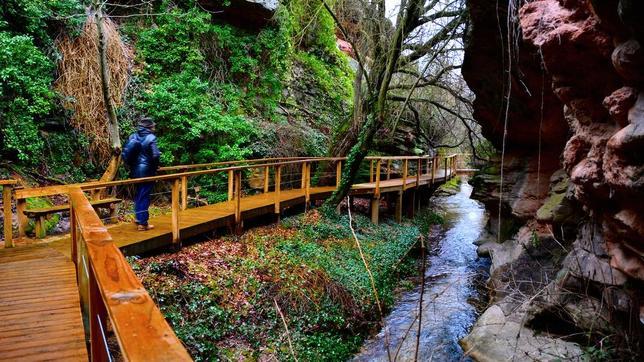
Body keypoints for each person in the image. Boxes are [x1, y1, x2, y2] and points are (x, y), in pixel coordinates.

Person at [122, 117, 161, 231]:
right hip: (147, 172)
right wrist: (156, 166)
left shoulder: (133, 136)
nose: (154, 127)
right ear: (149, 127)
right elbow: (155, 155)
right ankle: (143, 223)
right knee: (144, 196)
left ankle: (139, 218)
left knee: (139, 194)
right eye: (153, 126)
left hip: (135, 171)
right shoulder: (151, 138)